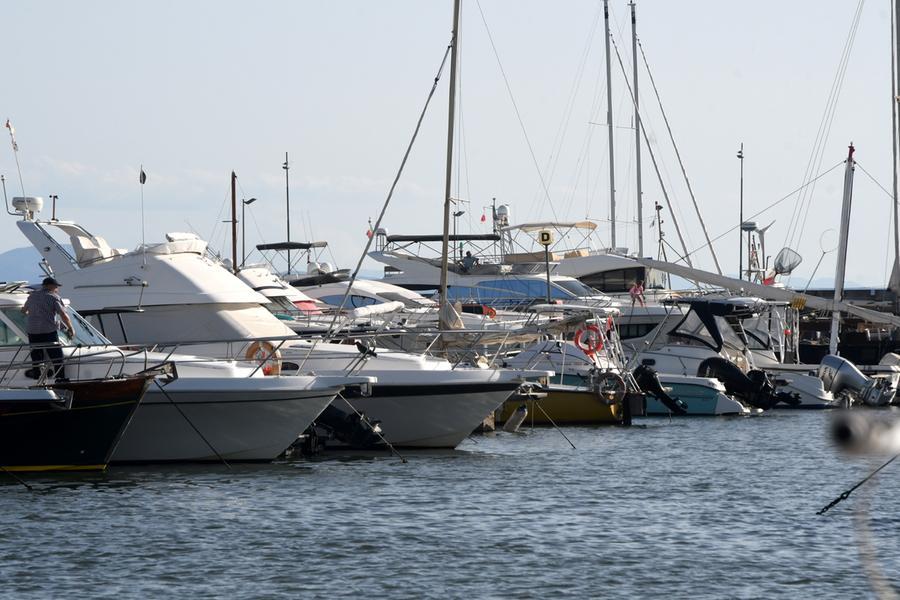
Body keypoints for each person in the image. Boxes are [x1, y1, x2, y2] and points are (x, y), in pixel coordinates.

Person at [21, 277, 74, 381]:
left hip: (33, 331)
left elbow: (24, 311)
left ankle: (37, 379)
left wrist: (33, 315)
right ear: (49, 286)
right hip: (48, 331)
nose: (57, 288)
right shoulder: (54, 297)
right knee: (57, 357)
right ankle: (60, 378)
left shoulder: (32, 296)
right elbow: (63, 314)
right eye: (56, 286)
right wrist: (71, 328)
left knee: (36, 357)